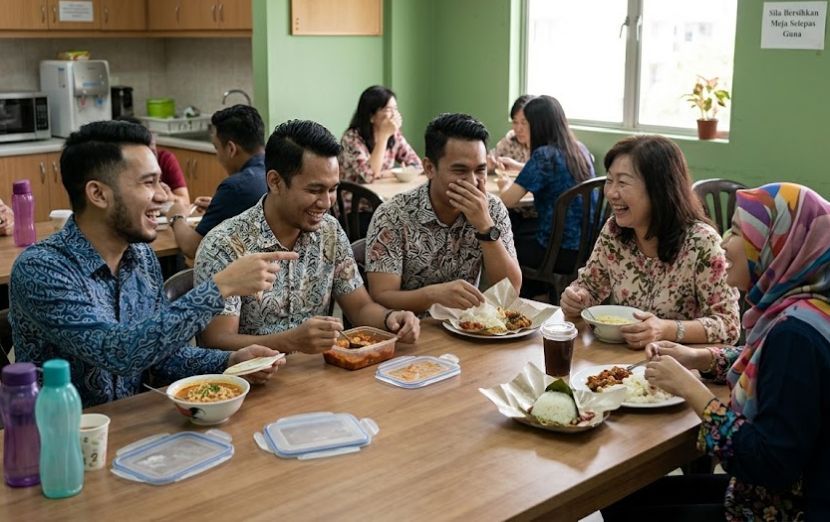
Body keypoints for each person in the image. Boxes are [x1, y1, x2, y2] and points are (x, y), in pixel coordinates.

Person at [9, 120, 297, 407]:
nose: (163, 196)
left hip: (133, 425)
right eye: (148, 182)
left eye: (160, 181)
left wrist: (231, 360)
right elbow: (118, 352)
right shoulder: (43, 268)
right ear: (98, 194)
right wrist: (220, 287)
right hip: (63, 437)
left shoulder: (141, 257)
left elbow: (158, 354)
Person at [605, 183, 830, 520]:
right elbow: (765, 363)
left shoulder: (794, 337)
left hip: (781, 508)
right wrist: (700, 358)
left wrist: (690, 388)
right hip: (779, 494)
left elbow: (767, 463)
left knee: (623, 503)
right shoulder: (809, 308)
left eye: (738, 230)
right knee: (621, 494)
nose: (724, 241)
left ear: (775, 245)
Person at [194, 120, 420, 354]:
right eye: (314, 190)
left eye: (332, 189)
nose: (326, 203)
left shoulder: (329, 231)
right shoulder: (225, 245)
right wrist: (290, 341)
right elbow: (217, 340)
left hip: (317, 376)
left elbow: (360, 307)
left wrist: (391, 318)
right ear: (275, 182)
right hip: (249, 384)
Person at [560, 135, 740, 346]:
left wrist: (666, 329)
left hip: (680, 367)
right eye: (609, 180)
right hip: (623, 363)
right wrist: (576, 298)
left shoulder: (701, 242)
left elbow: (729, 325)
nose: (611, 192)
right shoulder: (615, 231)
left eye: (623, 182)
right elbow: (589, 287)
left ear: (659, 189)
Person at [365, 113, 522, 314]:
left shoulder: (491, 208)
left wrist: (485, 226)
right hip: (412, 330)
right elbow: (382, 296)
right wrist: (432, 296)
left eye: (480, 170)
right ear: (429, 168)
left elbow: (511, 291)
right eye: (460, 171)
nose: (473, 182)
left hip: (469, 329)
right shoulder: (393, 214)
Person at [498, 95, 595, 297]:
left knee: (501, 239)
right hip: (585, 245)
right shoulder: (580, 149)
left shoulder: (544, 156)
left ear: (537, 125)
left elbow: (507, 200)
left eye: (526, 123)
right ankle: (540, 291)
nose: (522, 128)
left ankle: (518, 298)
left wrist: (504, 184)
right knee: (518, 224)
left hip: (558, 251)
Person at [164, 104, 268, 259]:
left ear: (231, 149)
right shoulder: (278, 169)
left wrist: (176, 216)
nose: (217, 156)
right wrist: (221, 205)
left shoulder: (236, 188)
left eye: (217, 148)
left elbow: (192, 247)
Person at [338, 85, 422, 185]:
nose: (394, 115)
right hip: (356, 197)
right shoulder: (351, 138)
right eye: (388, 109)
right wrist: (384, 137)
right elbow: (369, 176)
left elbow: (418, 165)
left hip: (383, 192)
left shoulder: (394, 135)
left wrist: (386, 173)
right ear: (371, 116)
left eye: (395, 109)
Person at [118, 115, 191, 207]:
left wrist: (170, 197)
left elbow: (185, 201)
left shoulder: (165, 159)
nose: (152, 153)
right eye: (148, 182)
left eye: (153, 146)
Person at [489, 94, 533, 173]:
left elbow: (546, 172)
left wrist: (516, 166)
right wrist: (489, 164)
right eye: (515, 122)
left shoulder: (545, 145)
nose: (518, 129)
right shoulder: (509, 140)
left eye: (524, 123)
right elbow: (493, 157)